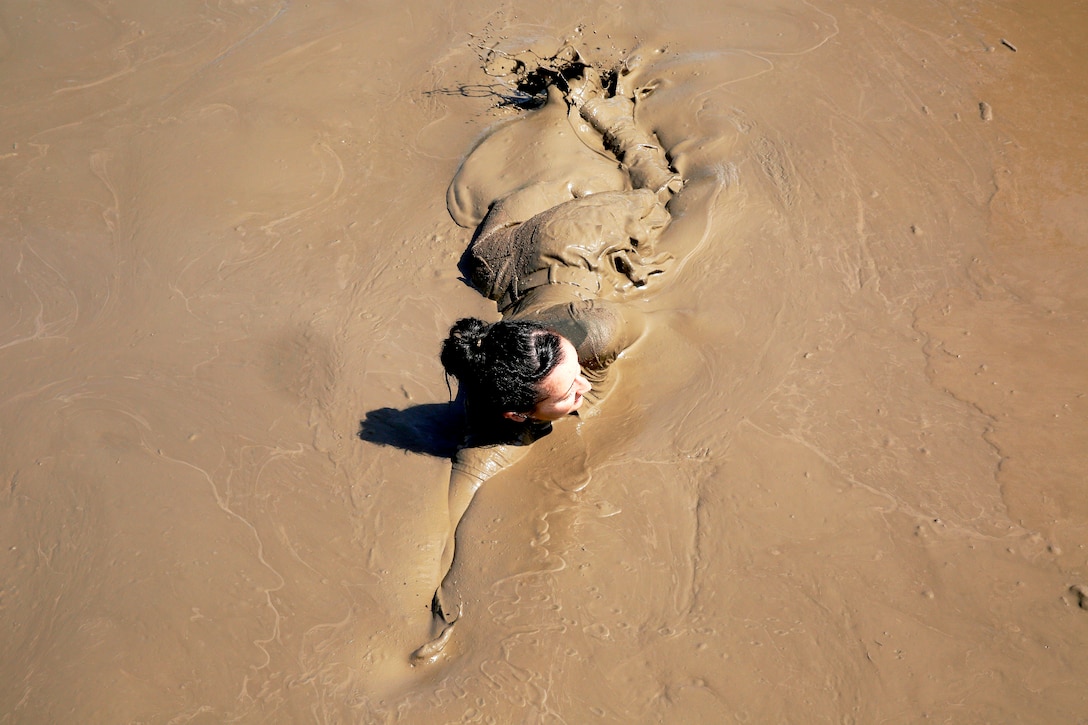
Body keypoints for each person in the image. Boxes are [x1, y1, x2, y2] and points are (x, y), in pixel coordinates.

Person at [412, 52, 696, 663]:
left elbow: (651, 328)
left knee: (660, 194)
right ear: (514, 415)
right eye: (567, 394)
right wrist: (438, 627)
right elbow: (443, 526)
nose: (580, 396)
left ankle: (595, 106)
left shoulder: (601, 330)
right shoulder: (485, 431)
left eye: (575, 377)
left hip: (575, 237)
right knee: (485, 259)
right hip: (501, 250)